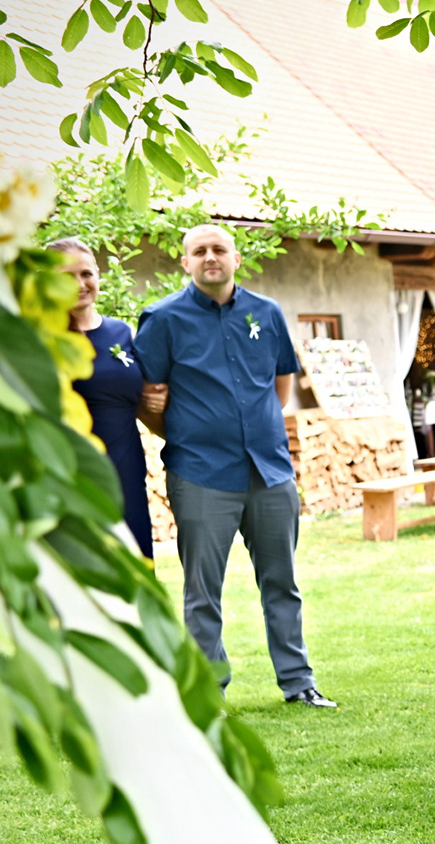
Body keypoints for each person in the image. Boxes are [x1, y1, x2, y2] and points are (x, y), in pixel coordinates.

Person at [133, 223, 335, 708]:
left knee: (282, 583)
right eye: (200, 251)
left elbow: (281, 384)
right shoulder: (162, 319)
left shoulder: (266, 313)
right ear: (185, 262)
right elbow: (147, 399)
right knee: (203, 591)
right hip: (200, 474)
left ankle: (298, 683)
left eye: (219, 249)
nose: (210, 257)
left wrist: (257, 430)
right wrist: (188, 434)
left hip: (270, 471)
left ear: (235, 258)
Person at [53, 237, 152, 559]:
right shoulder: (40, 339)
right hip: (70, 475)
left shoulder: (121, 333)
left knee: (135, 567)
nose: (80, 284)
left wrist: (155, 398)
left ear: (98, 274)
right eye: (67, 276)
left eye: (86, 274)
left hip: (126, 472)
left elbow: (136, 393)